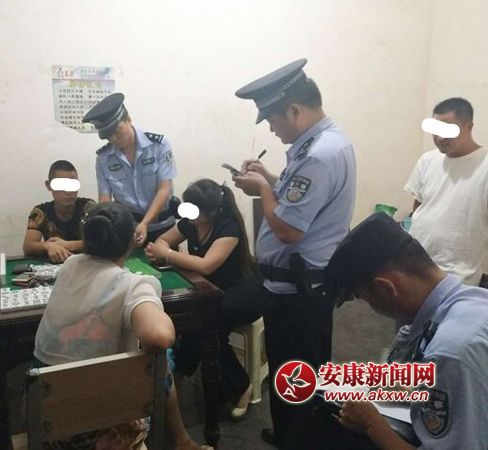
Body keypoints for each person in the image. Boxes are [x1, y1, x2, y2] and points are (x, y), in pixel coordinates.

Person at [232, 58, 356, 446]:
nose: (272, 128)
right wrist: (268, 178)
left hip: (300, 292)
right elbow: (296, 199)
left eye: (272, 119)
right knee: (291, 371)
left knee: (301, 374)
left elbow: (287, 229)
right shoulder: (321, 145)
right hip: (292, 288)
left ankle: (302, 438)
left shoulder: (319, 155)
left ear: (294, 110)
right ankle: (291, 432)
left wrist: (261, 190)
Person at [34, 202, 211, 450]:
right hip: (98, 430)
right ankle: (181, 440)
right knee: (162, 356)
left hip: (44, 420)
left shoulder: (69, 266)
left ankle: (181, 440)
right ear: (131, 241)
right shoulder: (132, 285)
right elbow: (159, 336)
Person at [323, 212, 488, 450]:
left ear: (386, 288)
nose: (372, 307)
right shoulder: (475, 300)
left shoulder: (449, 352)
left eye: (365, 298)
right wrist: (415, 391)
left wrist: (371, 424)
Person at [145, 179, 262, 419]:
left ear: (213, 210)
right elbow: (163, 240)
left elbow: (207, 265)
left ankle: (241, 386)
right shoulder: (190, 222)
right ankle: (182, 372)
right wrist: (159, 251)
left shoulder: (228, 227)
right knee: (197, 321)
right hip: (210, 288)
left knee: (207, 327)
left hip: (243, 290)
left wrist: (166, 254)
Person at [404, 97, 487, 286]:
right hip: (414, 264)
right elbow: (418, 206)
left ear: (469, 127)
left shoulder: (484, 165)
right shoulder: (428, 160)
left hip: (457, 277)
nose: (440, 138)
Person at [83, 93, 178, 245]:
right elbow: (105, 199)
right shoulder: (103, 158)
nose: (114, 139)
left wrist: (145, 223)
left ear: (128, 119)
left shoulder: (158, 146)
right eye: (108, 136)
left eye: (117, 131)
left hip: (163, 228)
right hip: (128, 229)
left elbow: (164, 189)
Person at [23, 160, 96, 263]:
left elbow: (103, 241)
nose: (68, 191)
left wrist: (69, 245)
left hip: (87, 264)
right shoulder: (40, 212)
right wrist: (47, 246)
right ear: (48, 185)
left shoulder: (89, 207)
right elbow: (28, 247)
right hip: (56, 265)